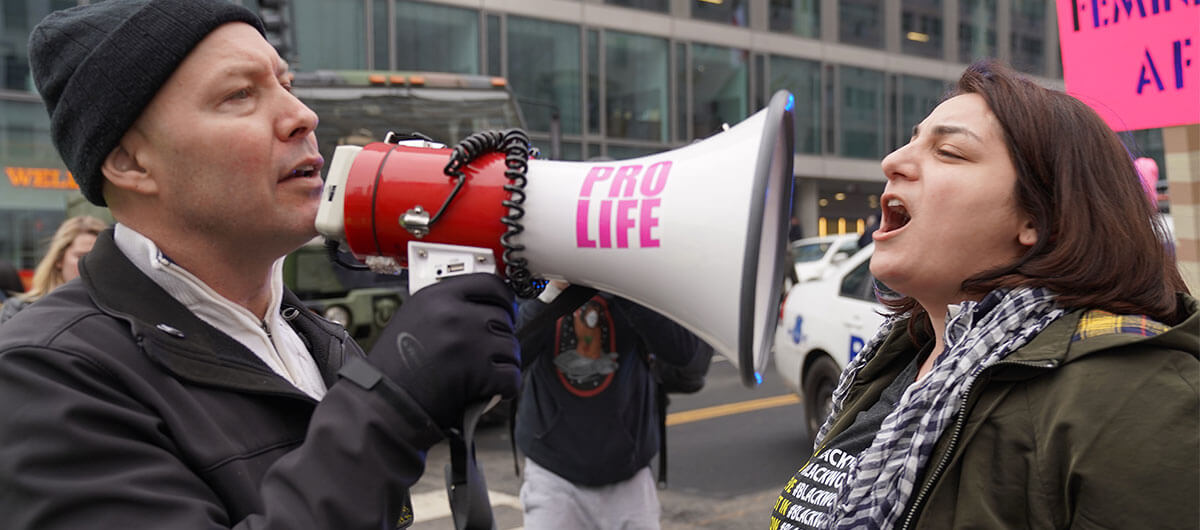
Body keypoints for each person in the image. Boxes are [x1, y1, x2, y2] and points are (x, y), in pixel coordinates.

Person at [0, 1, 520, 528]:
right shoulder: (43, 377)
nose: (303, 115)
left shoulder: (315, 340)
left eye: (285, 84)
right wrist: (387, 410)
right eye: (239, 94)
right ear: (130, 162)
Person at [771, 60, 1197, 529]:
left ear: (1037, 217)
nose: (892, 161)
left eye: (949, 151)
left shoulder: (1131, 394)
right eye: (912, 140)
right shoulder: (893, 361)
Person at [515, 281, 708, 529]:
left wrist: (623, 284)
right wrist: (553, 291)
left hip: (629, 474)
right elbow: (511, 352)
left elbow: (685, 354)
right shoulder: (537, 277)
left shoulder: (637, 280)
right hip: (553, 474)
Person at [0, 215, 107, 323]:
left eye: (98, 257)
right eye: (81, 256)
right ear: (59, 260)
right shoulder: (19, 310)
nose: (90, 264)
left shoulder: (117, 312)